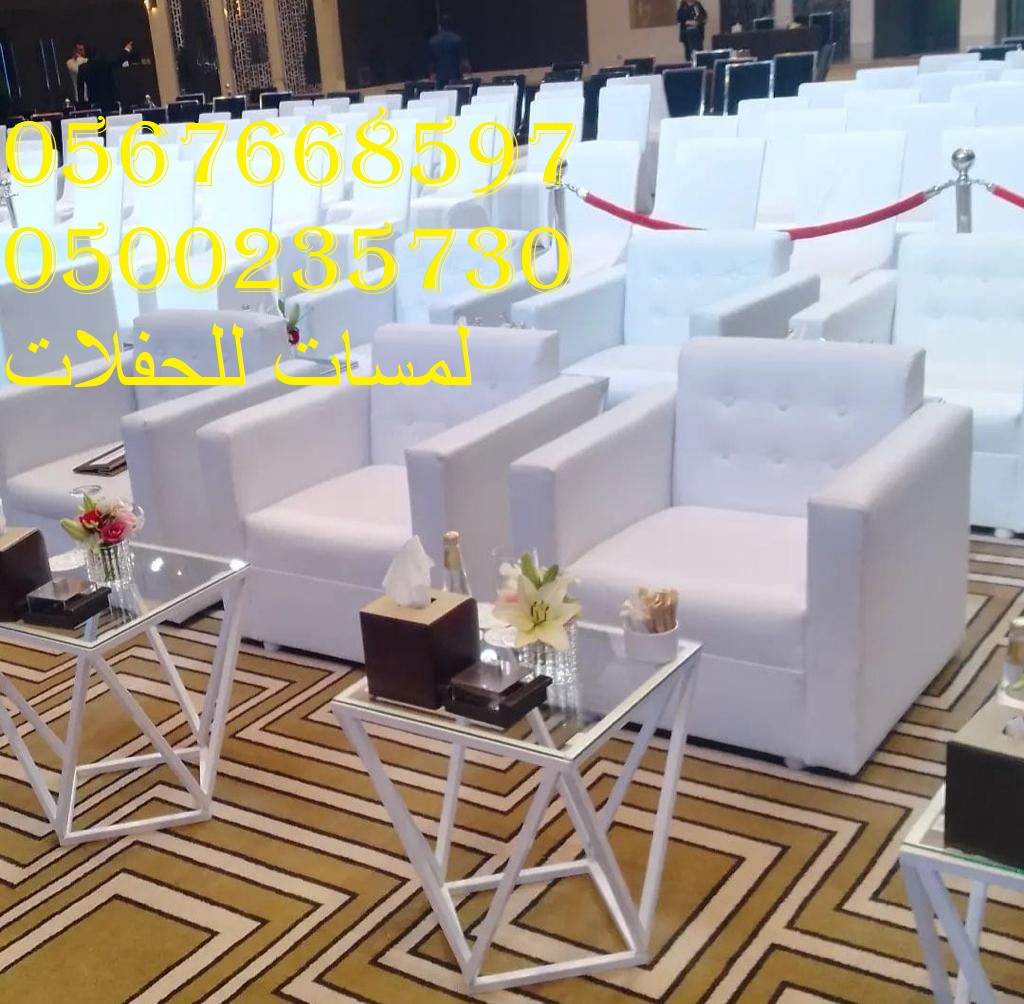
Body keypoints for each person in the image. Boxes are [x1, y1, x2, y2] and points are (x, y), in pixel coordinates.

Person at [428, 14, 469, 88]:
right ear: (451, 25)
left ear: (439, 26)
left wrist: (432, 74)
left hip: (439, 79)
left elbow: (431, 63)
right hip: (455, 78)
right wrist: (468, 72)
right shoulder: (457, 39)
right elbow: (464, 62)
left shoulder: (432, 41)